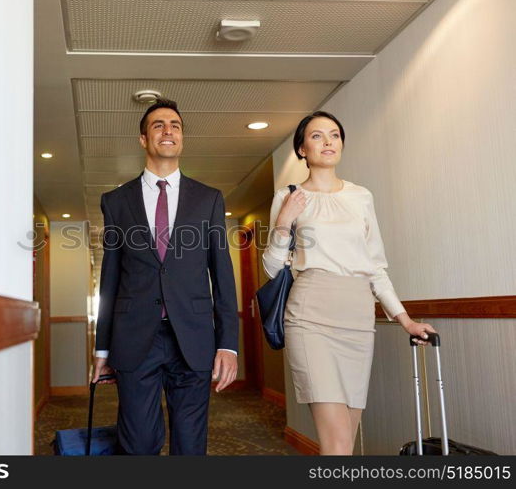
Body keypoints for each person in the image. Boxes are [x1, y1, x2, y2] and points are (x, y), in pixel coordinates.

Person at [262, 111, 435, 455]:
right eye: (317, 136)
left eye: (335, 135)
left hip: (357, 320)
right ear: (301, 148)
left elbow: (375, 269)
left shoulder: (361, 197)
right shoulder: (288, 196)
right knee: (337, 445)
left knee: (347, 441)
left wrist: (406, 321)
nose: (328, 142)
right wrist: (283, 223)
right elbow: (271, 268)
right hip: (310, 316)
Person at [92, 98, 239, 455]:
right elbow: (110, 278)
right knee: (139, 443)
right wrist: (102, 347)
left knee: (191, 444)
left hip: (193, 337)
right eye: (158, 125)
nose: (168, 130)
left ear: (182, 139)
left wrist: (228, 343)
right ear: (144, 139)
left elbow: (222, 274)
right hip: (134, 337)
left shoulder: (209, 199)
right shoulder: (116, 201)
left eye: (175, 125)